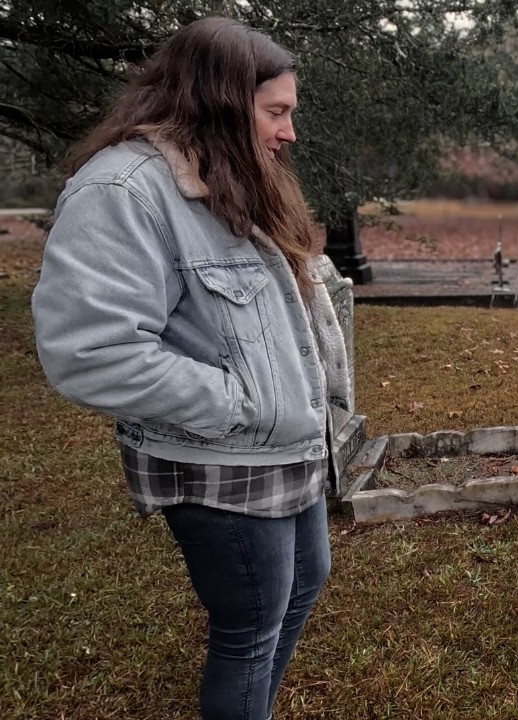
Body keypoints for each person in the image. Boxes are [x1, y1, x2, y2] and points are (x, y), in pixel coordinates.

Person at [31, 18, 347, 720]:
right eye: (276, 113)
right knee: (249, 625)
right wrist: (241, 401)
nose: (289, 132)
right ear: (219, 100)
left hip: (286, 446)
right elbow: (90, 350)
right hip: (217, 459)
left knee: (301, 587)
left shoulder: (227, 175)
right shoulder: (123, 191)